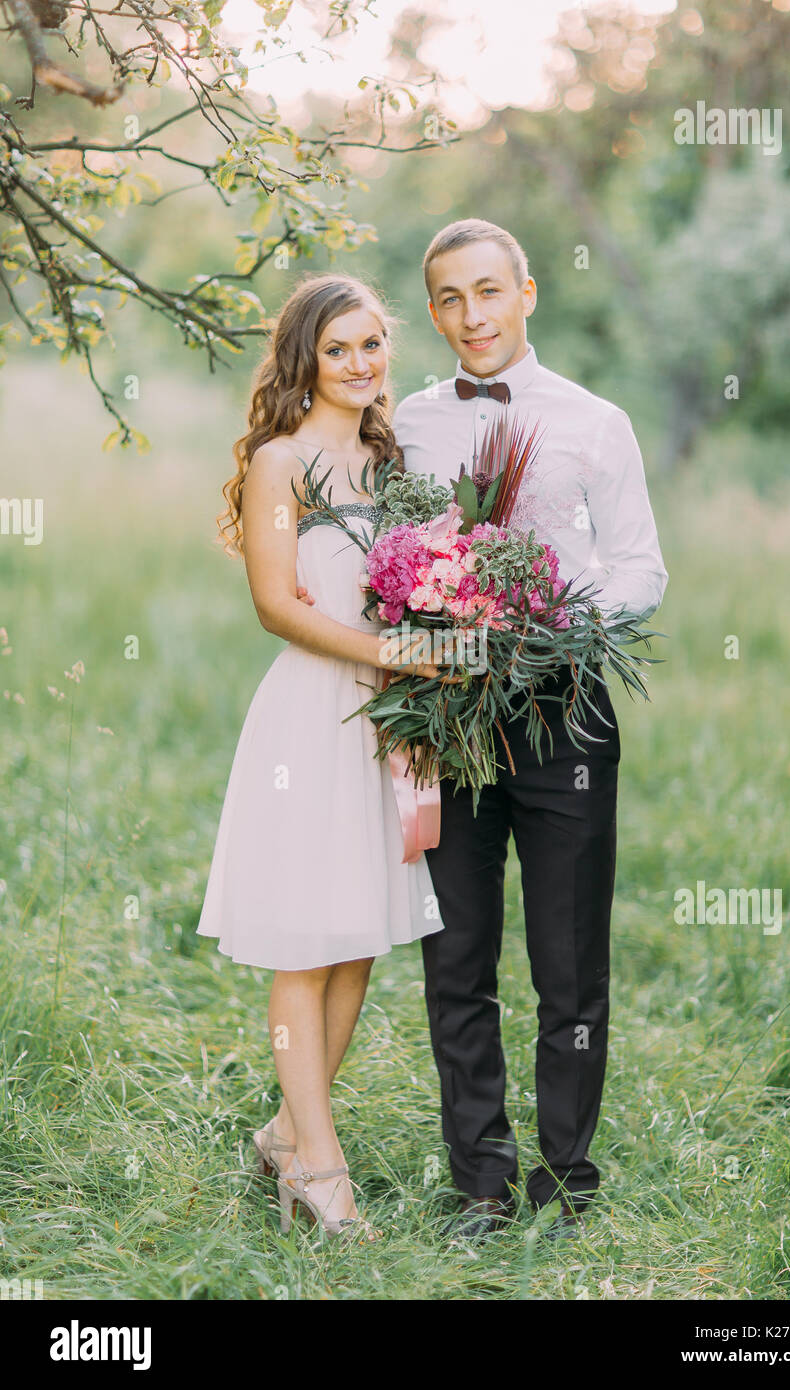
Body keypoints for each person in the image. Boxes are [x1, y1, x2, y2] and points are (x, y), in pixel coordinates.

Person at [391, 218, 669, 1239]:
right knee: (453, 956)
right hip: (447, 716)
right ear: (432, 313)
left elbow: (641, 567)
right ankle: (478, 1183)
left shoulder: (595, 421)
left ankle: (564, 1178)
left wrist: (551, 626)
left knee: (568, 961)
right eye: (449, 300)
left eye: (487, 292)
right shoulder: (408, 424)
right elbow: (387, 558)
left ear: (526, 293)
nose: (471, 317)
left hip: (564, 713)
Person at [196, 273, 451, 1240]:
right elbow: (276, 604)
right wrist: (395, 652)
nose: (359, 364)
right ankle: (323, 1167)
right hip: (311, 718)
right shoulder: (281, 461)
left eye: (373, 344)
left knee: (357, 937)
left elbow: (425, 579)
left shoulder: (395, 464)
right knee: (306, 938)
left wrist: (438, 640)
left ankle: (286, 1134)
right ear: (305, 357)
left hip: (392, 725)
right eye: (338, 348)